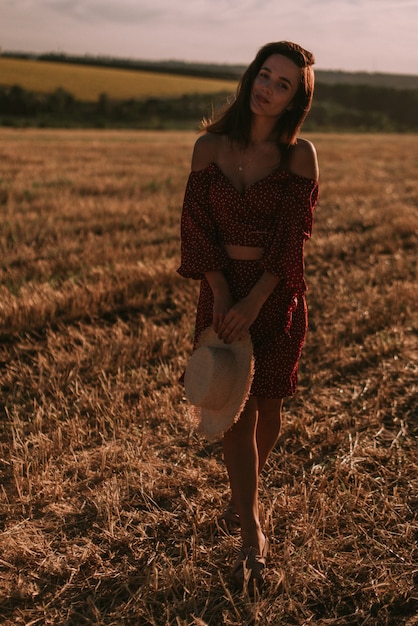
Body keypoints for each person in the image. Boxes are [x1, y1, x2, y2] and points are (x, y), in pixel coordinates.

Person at [178, 41, 319, 591]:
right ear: (250, 76)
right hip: (220, 291)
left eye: (283, 84)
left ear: (295, 100)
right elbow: (196, 226)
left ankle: (243, 495)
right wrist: (218, 292)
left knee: (266, 412)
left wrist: (256, 299)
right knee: (231, 413)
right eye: (265, 75)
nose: (268, 88)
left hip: (273, 293)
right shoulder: (208, 146)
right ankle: (251, 531)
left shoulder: (298, 155)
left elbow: (294, 240)